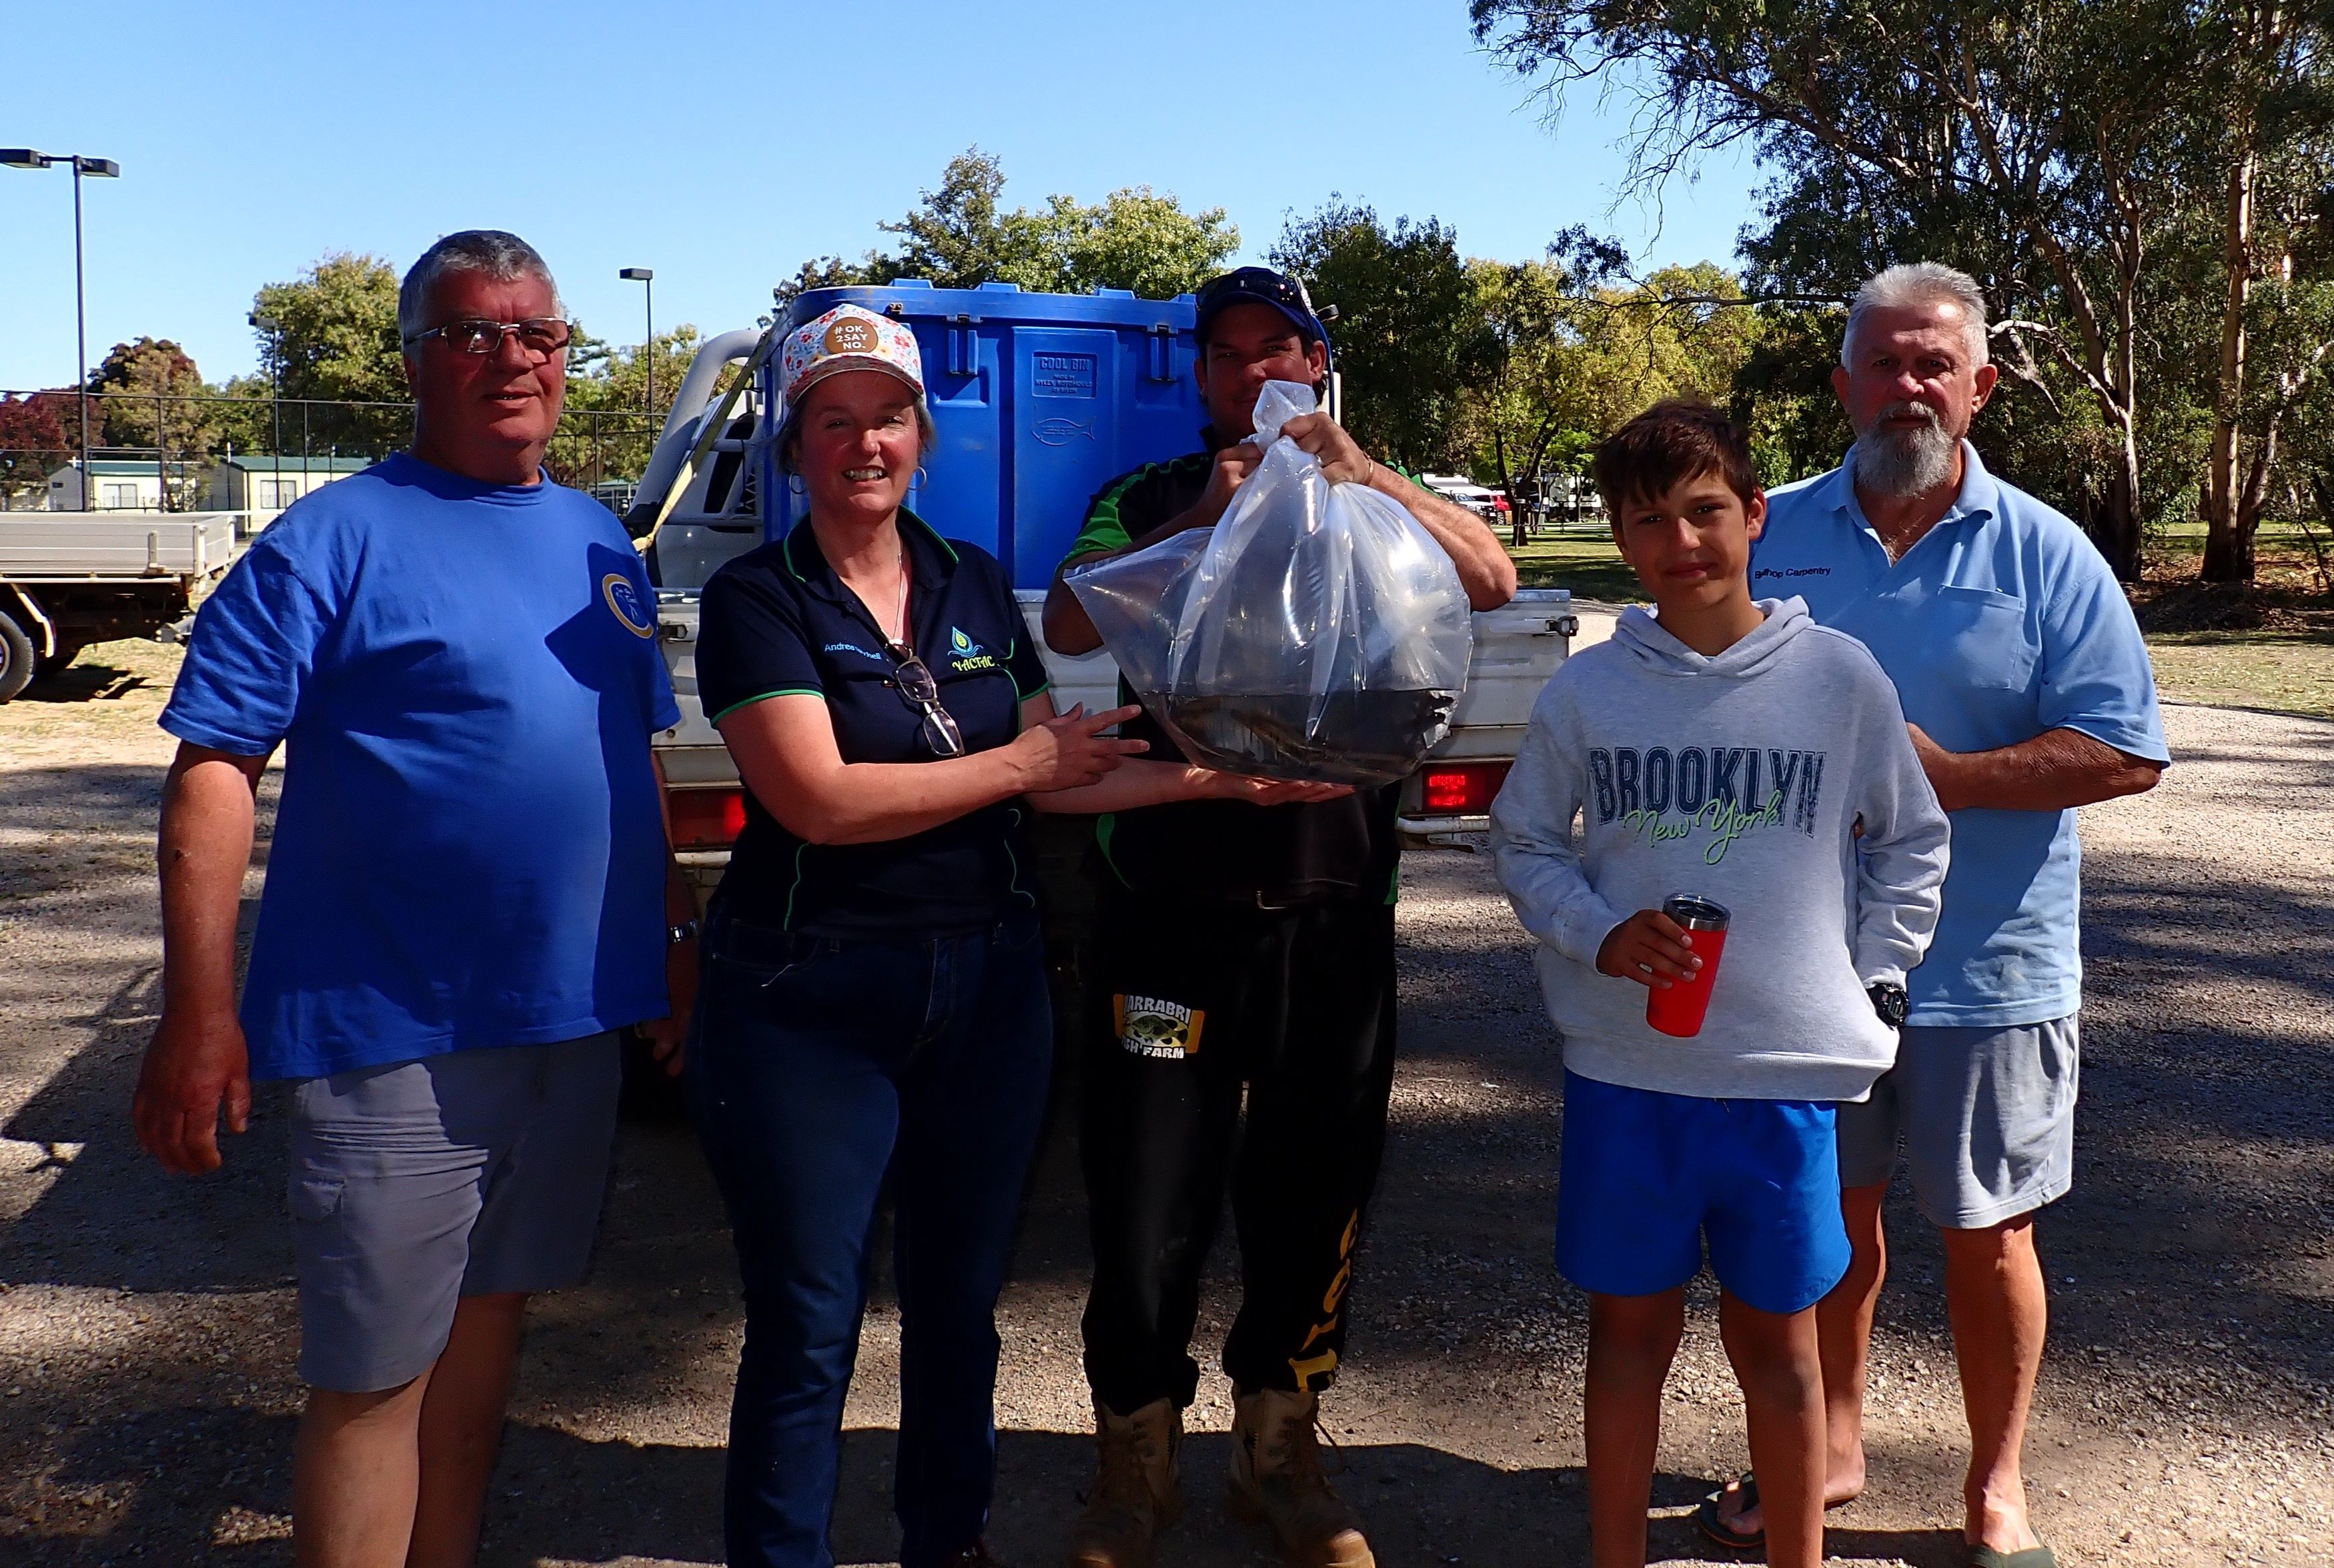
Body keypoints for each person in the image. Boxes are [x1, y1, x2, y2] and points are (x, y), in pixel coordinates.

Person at [688, 303, 1344, 1568]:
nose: (865, 443)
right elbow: (819, 802)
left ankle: (949, 1540)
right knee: (808, 1320)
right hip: (810, 997)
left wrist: (1224, 782)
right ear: (795, 444)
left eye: (887, 418)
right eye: (835, 421)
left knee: (958, 1310)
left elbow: (1058, 776)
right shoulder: (757, 598)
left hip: (985, 986)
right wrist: (1023, 759)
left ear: (921, 435)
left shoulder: (971, 579)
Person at [131, 229, 698, 1568]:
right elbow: (215, 766)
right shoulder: (335, 537)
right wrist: (198, 1012)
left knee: (488, 1334)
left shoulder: (595, 535)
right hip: (389, 1030)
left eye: (536, 333)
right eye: (470, 333)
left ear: (568, 356)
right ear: (414, 362)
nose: (510, 358)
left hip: (567, 1025)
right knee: (373, 1381)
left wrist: (675, 937)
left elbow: (633, 762)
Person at [1041, 266, 1517, 1568]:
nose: (1255, 372)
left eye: (1280, 347)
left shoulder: (1374, 486)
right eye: (1230, 353)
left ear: (1317, 359)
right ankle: (1131, 1457)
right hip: (1162, 927)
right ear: (1199, 375)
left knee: (1314, 1198)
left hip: (1329, 923)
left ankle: (1278, 1446)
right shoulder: (1142, 493)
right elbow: (1069, 610)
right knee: (1144, 1203)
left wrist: (1363, 473)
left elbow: (1487, 573)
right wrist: (1204, 512)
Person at [1700, 263, 2167, 1568]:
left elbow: (2126, 750)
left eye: (1933, 365)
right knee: (1826, 1226)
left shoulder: (2048, 553)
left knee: (1988, 1230)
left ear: (1978, 387)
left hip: (1991, 966)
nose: (1907, 385)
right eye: (1884, 361)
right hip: (1805, 968)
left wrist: (1945, 780)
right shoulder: (1767, 530)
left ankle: (1995, 1482)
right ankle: (1833, 1446)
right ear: (1841, 378)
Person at [1488, 401, 1949, 1568]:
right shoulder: (1590, 691)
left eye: (1706, 511)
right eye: (1651, 519)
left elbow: (1910, 838)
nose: (1683, 540)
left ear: (1754, 516)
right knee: (1628, 1331)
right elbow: (1527, 840)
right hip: (1628, 1071)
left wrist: (1878, 977)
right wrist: (1598, 932)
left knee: (1781, 1348)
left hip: (1784, 1077)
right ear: (1622, 537)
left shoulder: (1840, 678)